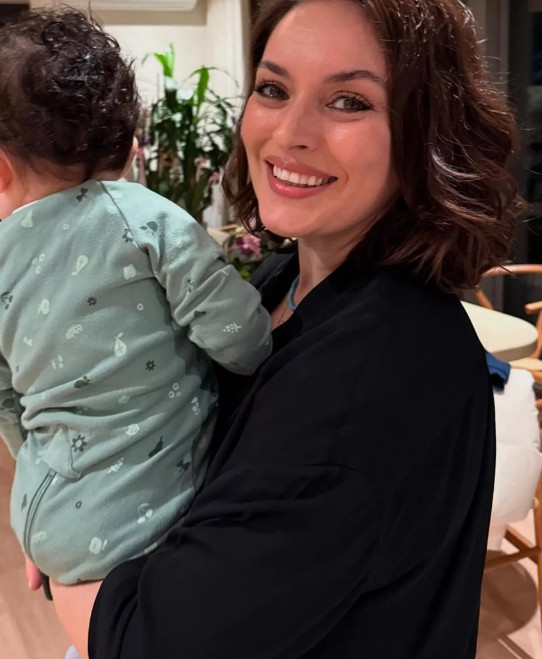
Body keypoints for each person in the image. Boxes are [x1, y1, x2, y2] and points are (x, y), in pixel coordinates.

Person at [43, 1, 524, 657]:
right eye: (273, 89)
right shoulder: (285, 280)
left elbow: (148, 642)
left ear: (423, 133)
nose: (290, 132)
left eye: (349, 101)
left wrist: (57, 550)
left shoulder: (371, 376)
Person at [0, 7, 271, 593]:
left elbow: (5, 401)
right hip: (140, 517)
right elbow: (242, 343)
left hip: (40, 510)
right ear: (129, 148)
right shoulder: (144, 218)